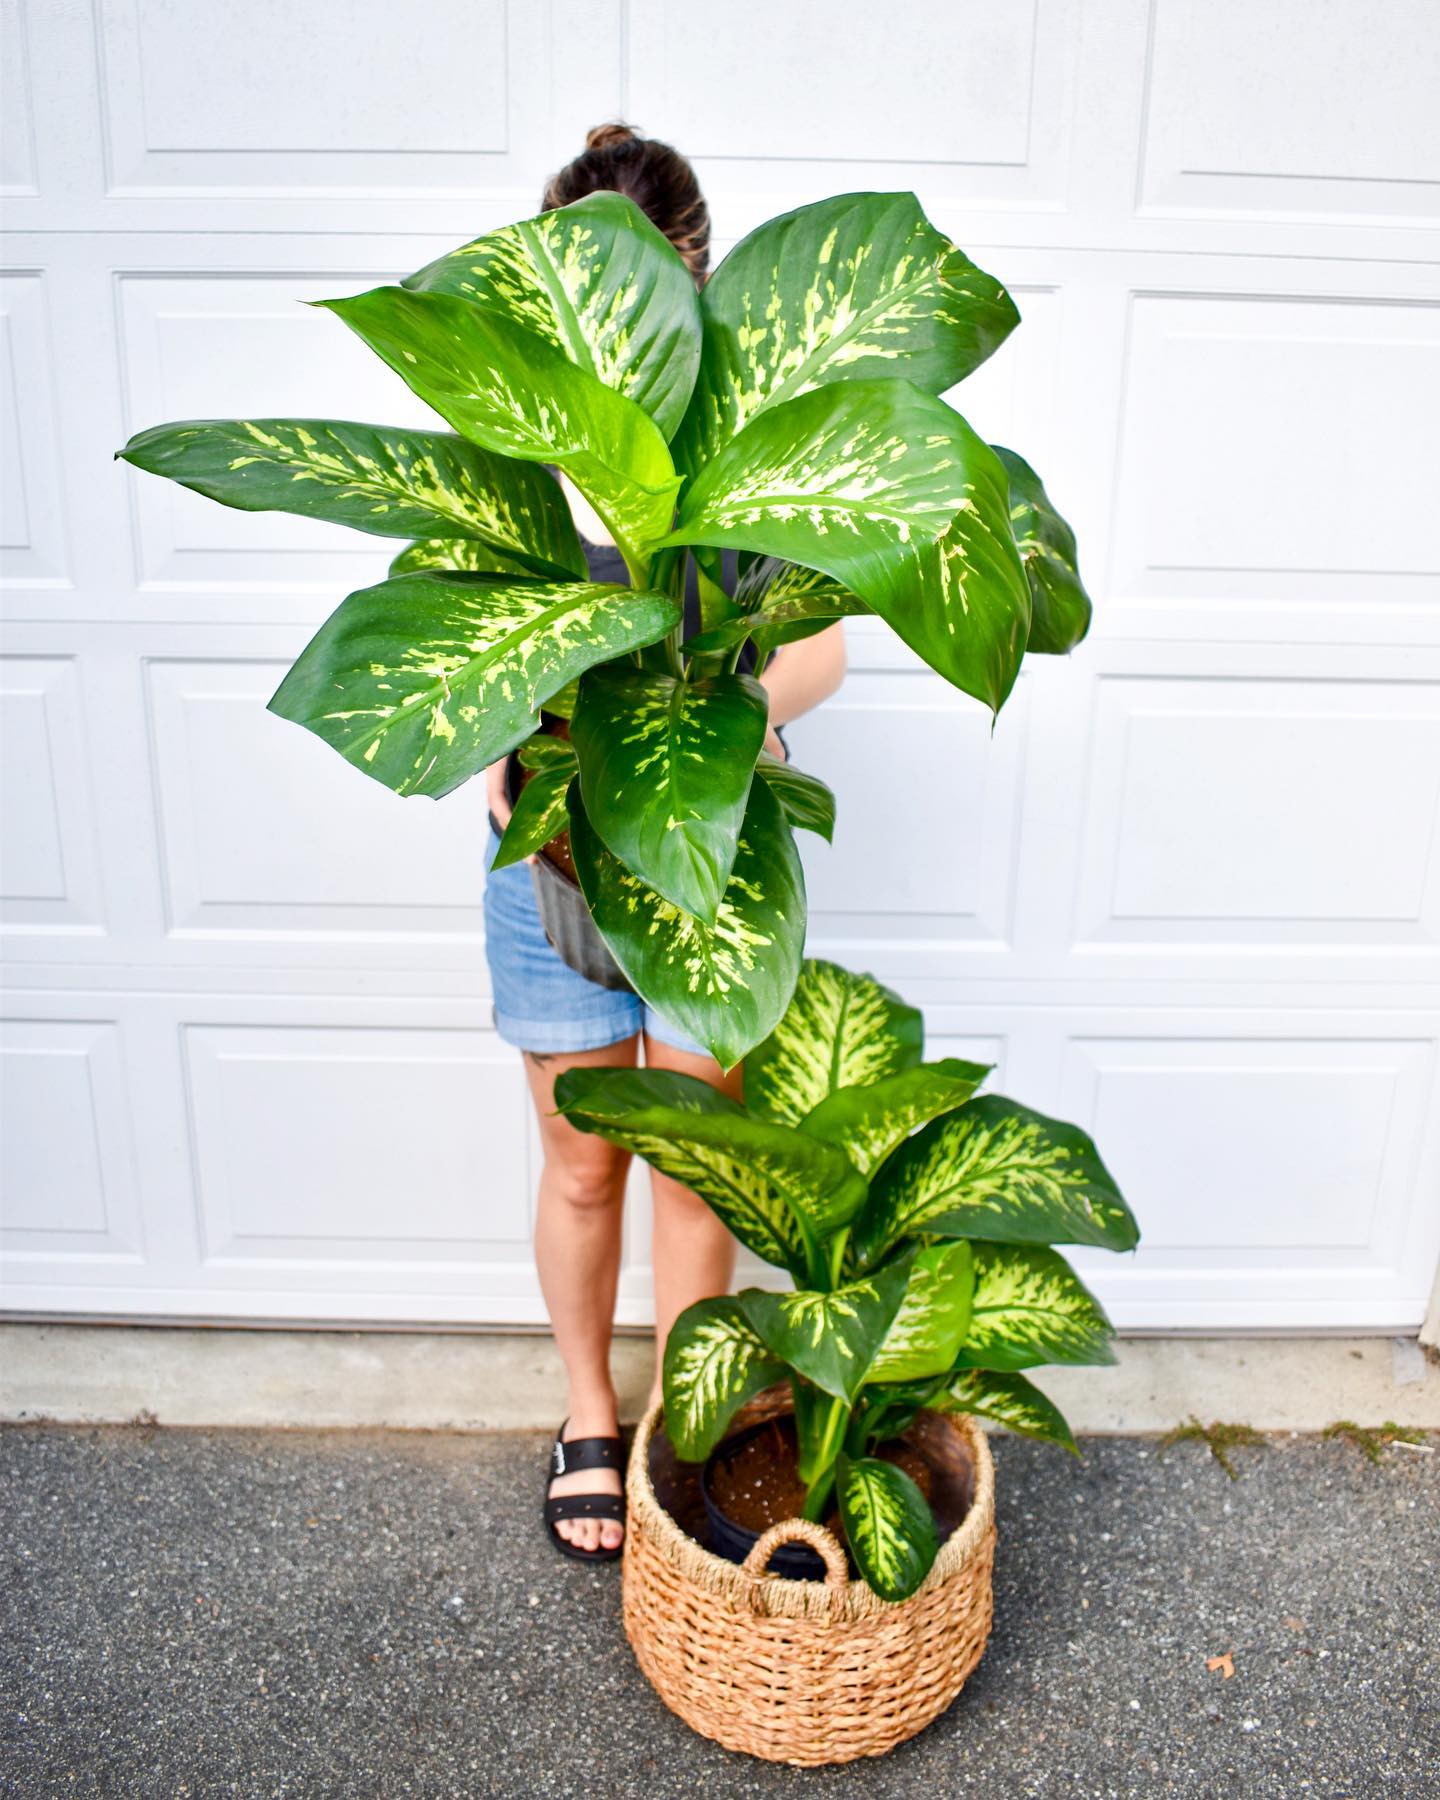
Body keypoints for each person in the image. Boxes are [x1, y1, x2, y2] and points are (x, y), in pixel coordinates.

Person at [483, 124, 847, 1562]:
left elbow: (819, 648)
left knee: (697, 1165)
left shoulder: (747, 424)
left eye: (653, 279)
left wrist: (715, 720)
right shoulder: (513, 430)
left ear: (696, 273)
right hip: (554, 858)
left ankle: (674, 1436)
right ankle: (587, 1411)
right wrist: (509, 761)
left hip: (711, 863)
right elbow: (471, 646)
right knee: (585, 1164)